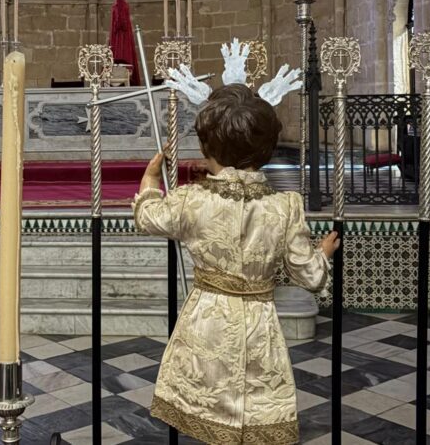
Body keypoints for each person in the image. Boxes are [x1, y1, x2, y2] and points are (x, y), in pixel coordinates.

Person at [134, 83, 340, 444]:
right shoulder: (285, 207)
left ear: (207, 146)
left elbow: (147, 217)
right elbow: (308, 275)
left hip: (207, 321)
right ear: (266, 148)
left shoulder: (192, 200)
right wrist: (322, 254)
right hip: (259, 324)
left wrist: (151, 181)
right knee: (256, 410)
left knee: (205, 407)